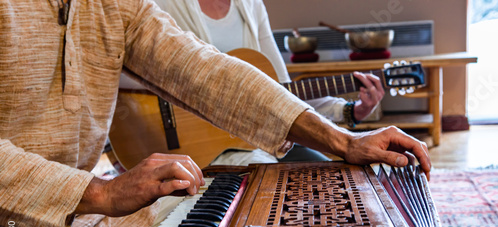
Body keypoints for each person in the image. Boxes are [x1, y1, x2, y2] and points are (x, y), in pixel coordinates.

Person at [0, 0, 430, 227]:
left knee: (224, 220)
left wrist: (343, 139)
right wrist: (102, 193)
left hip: (84, 219)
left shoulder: (115, 5)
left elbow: (206, 71)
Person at [120, 0, 385, 164]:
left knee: (329, 172)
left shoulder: (252, 5)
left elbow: (283, 91)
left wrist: (349, 110)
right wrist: (184, 88)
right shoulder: (159, 2)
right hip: (183, 144)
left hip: (250, 138)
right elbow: (119, 66)